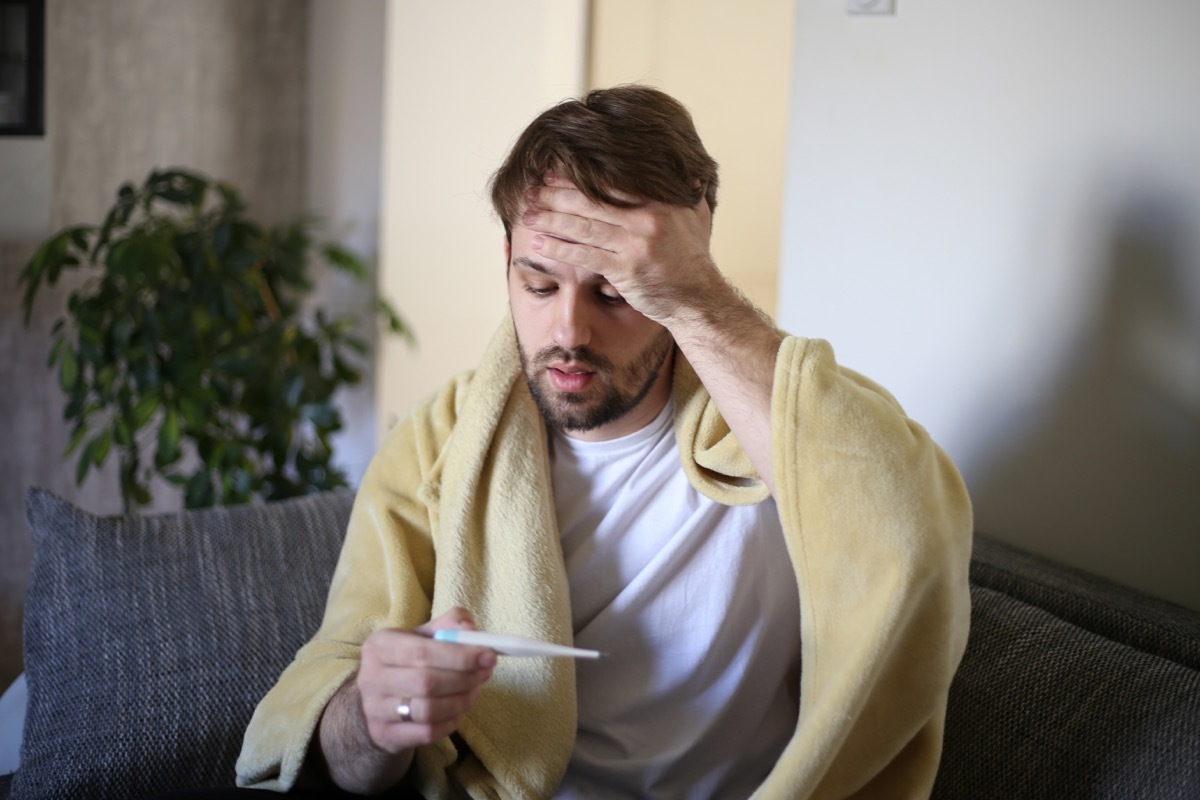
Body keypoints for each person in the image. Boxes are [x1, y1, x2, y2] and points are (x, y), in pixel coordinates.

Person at [235, 85, 973, 799]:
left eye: (614, 291)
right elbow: (327, 731)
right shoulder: (438, 443)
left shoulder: (789, 425)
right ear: (507, 262)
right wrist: (376, 716)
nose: (569, 331)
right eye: (539, 284)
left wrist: (699, 298)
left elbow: (907, 542)